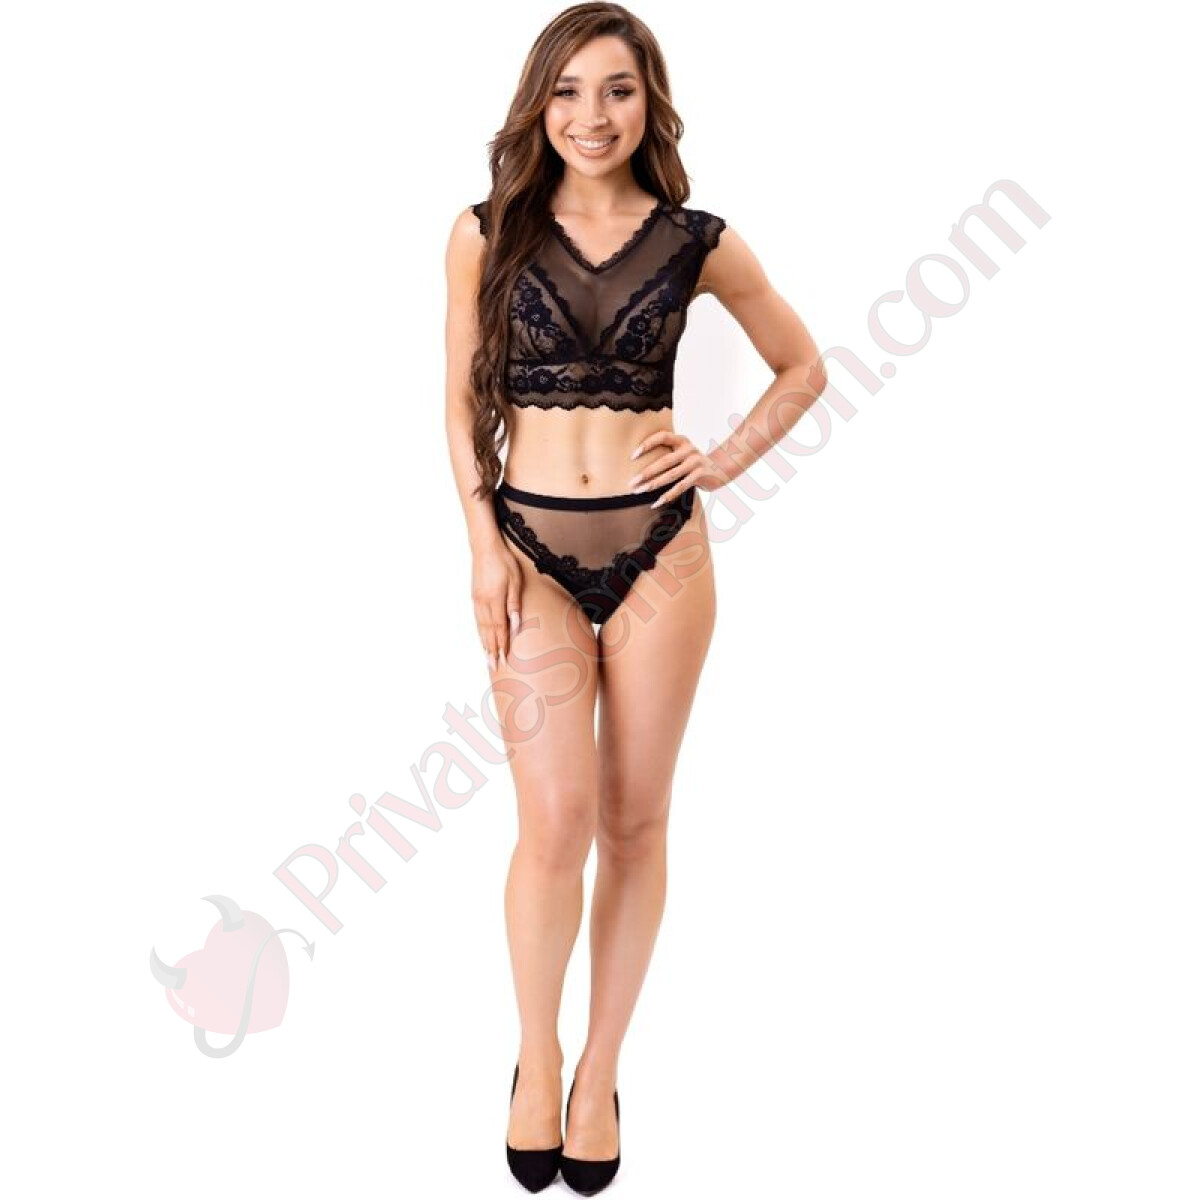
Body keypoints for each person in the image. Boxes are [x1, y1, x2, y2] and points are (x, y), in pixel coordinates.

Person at [443, 4, 825, 1192]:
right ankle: (538, 1054)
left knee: (635, 821)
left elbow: (803, 365)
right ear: (538, 104)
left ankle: (601, 1070)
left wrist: (723, 458)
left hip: (665, 552)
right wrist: (482, 544)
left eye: (615, 89)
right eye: (566, 91)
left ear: (649, 101)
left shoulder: (698, 240)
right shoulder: (485, 231)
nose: (591, 116)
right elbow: (455, 399)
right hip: (529, 548)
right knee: (554, 822)